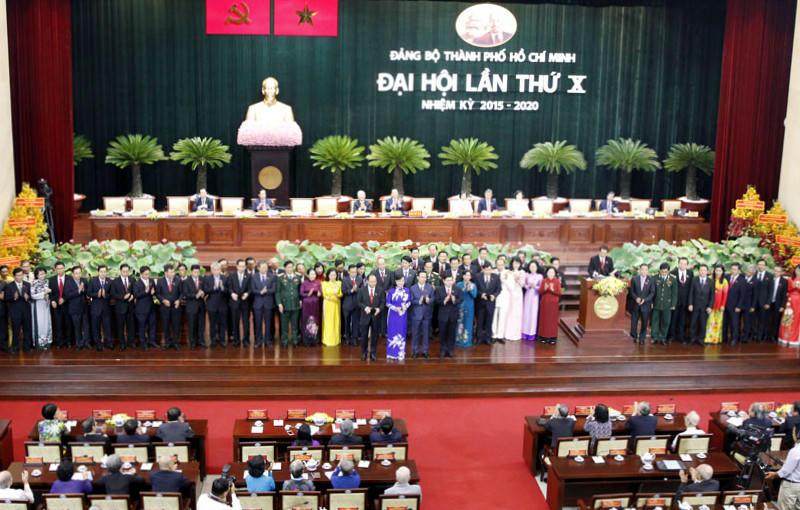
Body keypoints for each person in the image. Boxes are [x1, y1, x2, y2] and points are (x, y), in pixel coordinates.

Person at [765, 425, 800, 510]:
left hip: (791, 487)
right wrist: (787, 462)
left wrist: (774, 474)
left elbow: (786, 471)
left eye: (793, 432)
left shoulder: (795, 451)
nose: (792, 434)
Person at [435, 274, 463, 358]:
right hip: (443, 315)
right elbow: (436, 300)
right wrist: (444, 301)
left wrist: (455, 300)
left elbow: (461, 299)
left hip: (453, 315)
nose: (449, 282)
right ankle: (443, 350)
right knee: (442, 334)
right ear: (444, 281)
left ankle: (450, 350)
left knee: (451, 334)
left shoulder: (457, 289)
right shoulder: (439, 289)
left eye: (451, 280)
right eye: (447, 280)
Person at [5, 268, 32, 353]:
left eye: (21, 275)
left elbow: (31, 298)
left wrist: (28, 297)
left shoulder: (27, 284)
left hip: (26, 311)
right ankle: (15, 348)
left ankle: (27, 347)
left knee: (27, 329)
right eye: (18, 275)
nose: (20, 277)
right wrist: (14, 297)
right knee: (16, 330)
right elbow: (6, 298)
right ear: (14, 276)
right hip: (15, 311)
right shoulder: (9, 286)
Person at [276, 261, 302, 348]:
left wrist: (300, 300)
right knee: (284, 325)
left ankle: (295, 340)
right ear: (285, 268)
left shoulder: (298, 277)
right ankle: (284, 341)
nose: (290, 269)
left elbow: (300, 290)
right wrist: (279, 304)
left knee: (295, 324)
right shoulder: (280, 278)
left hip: (295, 304)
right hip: (284, 305)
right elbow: (277, 292)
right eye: (288, 267)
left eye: (291, 267)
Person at [358, 274, 384, 361]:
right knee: (364, 336)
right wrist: (365, 308)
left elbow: (382, 302)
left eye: (374, 281)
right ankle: (364, 353)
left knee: (375, 336)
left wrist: (379, 309)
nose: (373, 283)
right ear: (367, 281)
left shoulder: (380, 290)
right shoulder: (362, 290)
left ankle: (373, 353)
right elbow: (358, 302)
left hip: (376, 316)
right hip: (365, 316)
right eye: (371, 281)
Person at [250, 261, 276, 348]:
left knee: (268, 323)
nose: (265, 269)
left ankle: (268, 340)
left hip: (269, 303)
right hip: (258, 303)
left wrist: (267, 291)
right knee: (258, 323)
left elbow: (274, 289)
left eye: (266, 267)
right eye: (263, 267)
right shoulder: (254, 277)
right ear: (258, 268)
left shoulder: (272, 276)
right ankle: (258, 341)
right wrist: (260, 292)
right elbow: (252, 289)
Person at [110, 264, 136, 351]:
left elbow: (135, 291)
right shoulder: (115, 281)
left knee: (131, 326)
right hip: (120, 307)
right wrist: (122, 297)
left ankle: (131, 342)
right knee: (120, 327)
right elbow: (113, 293)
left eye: (127, 271)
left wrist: (133, 296)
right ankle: (122, 343)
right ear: (120, 271)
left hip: (130, 307)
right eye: (124, 271)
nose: (125, 273)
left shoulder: (132, 280)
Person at [156, 264, 182, 350]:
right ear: (166, 273)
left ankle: (176, 342)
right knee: (166, 325)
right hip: (165, 307)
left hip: (176, 307)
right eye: (171, 272)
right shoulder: (160, 281)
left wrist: (179, 300)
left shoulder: (178, 280)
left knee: (176, 325)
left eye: (173, 272)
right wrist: (163, 300)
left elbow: (182, 293)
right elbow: (157, 293)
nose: (173, 274)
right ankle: (167, 342)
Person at [386, 272, 411, 360]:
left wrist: (405, 307)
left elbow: (409, 302)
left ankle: (401, 353)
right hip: (393, 315)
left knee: (402, 332)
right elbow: (387, 303)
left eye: (402, 281)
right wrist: (395, 308)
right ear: (396, 281)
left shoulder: (407, 290)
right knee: (392, 332)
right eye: (399, 281)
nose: (401, 282)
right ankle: (391, 353)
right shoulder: (391, 291)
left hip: (403, 315)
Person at [409, 271, 434, 358]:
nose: (423, 278)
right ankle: (415, 351)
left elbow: (433, 298)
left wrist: (429, 300)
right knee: (415, 334)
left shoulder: (430, 287)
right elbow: (411, 300)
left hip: (427, 314)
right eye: (422, 277)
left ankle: (425, 351)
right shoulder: (412, 288)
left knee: (426, 334)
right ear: (418, 277)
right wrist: (418, 301)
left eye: (425, 277)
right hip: (416, 314)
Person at [651, 262, 677, 345]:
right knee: (655, 321)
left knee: (666, 321)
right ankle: (654, 337)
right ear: (660, 270)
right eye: (662, 271)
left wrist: (673, 304)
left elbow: (674, 293)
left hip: (667, 304)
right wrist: (651, 302)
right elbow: (652, 291)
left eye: (666, 271)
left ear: (668, 271)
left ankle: (663, 337)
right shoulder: (655, 278)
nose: (664, 273)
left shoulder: (672, 279)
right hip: (656, 303)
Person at [202, 262, 227, 348]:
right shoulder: (207, 278)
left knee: (222, 323)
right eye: (215, 270)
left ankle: (222, 340)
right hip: (211, 305)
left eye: (218, 269)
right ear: (212, 270)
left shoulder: (224, 278)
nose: (217, 271)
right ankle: (213, 340)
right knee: (212, 324)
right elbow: (205, 290)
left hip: (222, 305)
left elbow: (228, 290)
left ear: (220, 270)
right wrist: (214, 288)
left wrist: (222, 287)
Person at [688, 264, 714, 345]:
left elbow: (712, 296)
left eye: (704, 270)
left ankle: (701, 339)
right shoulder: (694, 280)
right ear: (699, 271)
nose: (702, 272)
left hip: (705, 307)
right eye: (701, 270)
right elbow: (691, 293)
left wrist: (710, 306)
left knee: (703, 324)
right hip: (695, 305)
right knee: (693, 323)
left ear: (707, 271)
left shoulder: (711, 281)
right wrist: (690, 304)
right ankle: (692, 338)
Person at [669, 257, 694, 344]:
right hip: (675, 301)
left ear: (687, 265)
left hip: (685, 301)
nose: (683, 265)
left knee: (682, 320)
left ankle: (681, 337)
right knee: (673, 319)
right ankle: (671, 336)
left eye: (685, 264)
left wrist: (690, 302)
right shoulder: (673, 273)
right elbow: (669, 286)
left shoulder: (690, 273)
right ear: (678, 264)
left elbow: (691, 288)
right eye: (681, 263)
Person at [86, 265, 111, 351]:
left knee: (107, 326)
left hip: (106, 308)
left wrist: (105, 295)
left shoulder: (109, 281)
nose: (103, 273)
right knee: (96, 327)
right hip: (95, 308)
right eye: (101, 272)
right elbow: (88, 292)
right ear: (98, 272)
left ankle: (108, 342)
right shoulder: (93, 281)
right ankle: (98, 343)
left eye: (104, 272)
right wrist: (97, 294)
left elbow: (111, 293)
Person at [133, 266, 157, 350]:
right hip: (141, 309)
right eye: (146, 274)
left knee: (152, 325)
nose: (147, 276)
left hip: (151, 307)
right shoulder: (137, 283)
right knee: (142, 326)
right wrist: (145, 291)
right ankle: (143, 343)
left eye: (148, 274)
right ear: (141, 274)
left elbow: (154, 290)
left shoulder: (151, 281)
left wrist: (153, 292)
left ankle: (152, 341)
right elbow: (136, 295)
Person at [48, 261, 72, 348]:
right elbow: (50, 293)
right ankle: (60, 342)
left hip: (67, 305)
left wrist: (64, 299)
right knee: (58, 324)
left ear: (64, 268)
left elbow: (72, 291)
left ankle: (69, 342)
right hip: (56, 306)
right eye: (58, 269)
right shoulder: (51, 280)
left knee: (68, 324)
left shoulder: (70, 278)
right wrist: (52, 301)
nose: (60, 270)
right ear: (55, 269)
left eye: (61, 268)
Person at [228, 260, 251, 347]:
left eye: (243, 266)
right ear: (237, 266)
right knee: (235, 322)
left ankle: (246, 340)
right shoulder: (231, 275)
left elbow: (250, 288)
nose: (242, 268)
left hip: (245, 302)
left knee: (246, 322)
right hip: (235, 302)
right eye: (240, 266)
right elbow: (229, 287)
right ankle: (236, 340)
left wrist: (247, 293)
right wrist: (232, 293)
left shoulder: (248, 276)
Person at [500, 257, 524, 341]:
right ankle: (507, 333)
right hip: (509, 294)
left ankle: (515, 334)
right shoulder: (508, 271)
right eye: (514, 263)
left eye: (518, 263)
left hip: (518, 295)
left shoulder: (522, 272)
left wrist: (517, 279)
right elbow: (504, 281)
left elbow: (522, 284)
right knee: (508, 312)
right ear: (512, 263)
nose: (516, 265)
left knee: (516, 313)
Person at [182, 264, 206, 349]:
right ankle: (192, 343)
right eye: (195, 272)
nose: (197, 274)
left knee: (201, 325)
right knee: (192, 325)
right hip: (191, 307)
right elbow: (185, 294)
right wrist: (196, 295)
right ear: (191, 272)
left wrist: (203, 293)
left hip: (201, 306)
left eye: (198, 272)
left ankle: (201, 341)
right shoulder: (186, 281)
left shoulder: (202, 279)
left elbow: (205, 289)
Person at [630, 264, 655, 345]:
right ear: (639, 270)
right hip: (635, 304)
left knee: (644, 322)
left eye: (645, 269)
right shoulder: (634, 279)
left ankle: (642, 338)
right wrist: (636, 298)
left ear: (648, 271)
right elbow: (631, 291)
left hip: (646, 304)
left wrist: (645, 300)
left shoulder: (651, 280)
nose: (644, 271)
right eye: (642, 269)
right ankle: (634, 336)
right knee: (634, 321)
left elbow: (652, 292)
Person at [475, 263, 500, 345]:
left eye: (489, 270)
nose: (488, 271)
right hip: (481, 302)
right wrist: (480, 294)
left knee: (489, 320)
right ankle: (479, 338)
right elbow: (475, 288)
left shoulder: (496, 277)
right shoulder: (478, 276)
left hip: (491, 302)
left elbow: (499, 288)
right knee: (480, 320)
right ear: (483, 269)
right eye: (486, 270)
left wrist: (494, 295)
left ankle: (488, 338)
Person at [703, 264, 728, 344]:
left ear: (722, 272)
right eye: (716, 270)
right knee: (709, 322)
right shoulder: (709, 278)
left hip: (719, 306)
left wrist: (723, 305)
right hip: (710, 305)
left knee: (717, 323)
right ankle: (708, 339)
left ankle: (715, 339)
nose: (718, 272)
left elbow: (725, 295)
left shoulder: (724, 281)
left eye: (720, 271)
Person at [537, 267, 562, 344]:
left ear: (554, 274)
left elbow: (559, 293)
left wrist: (552, 289)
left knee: (552, 320)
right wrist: (545, 289)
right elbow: (540, 292)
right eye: (549, 272)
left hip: (553, 304)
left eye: (552, 272)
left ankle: (552, 337)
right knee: (544, 319)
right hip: (544, 303)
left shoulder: (557, 281)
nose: (551, 273)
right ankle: (543, 336)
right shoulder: (544, 281)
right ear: (547, 273)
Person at [724, 262, 747, 345]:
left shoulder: (742, 280)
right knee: (726, 322)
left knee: (734, 323)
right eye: (732, 269)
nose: (733, 271)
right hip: (726, 305)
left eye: (735, 269)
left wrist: (739, 306)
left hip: (735, 306)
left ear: (739, 271)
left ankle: (734, 338)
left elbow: (743, 295)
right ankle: (725, 337)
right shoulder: (727, 277)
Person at [30, 267, 52, 349]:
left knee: (47, 323)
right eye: (41, 274)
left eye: (44, 273)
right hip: (38, 305)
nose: (43, 275)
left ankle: (47, 342)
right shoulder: (34, 283)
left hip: (46, 305)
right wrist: (44, 294)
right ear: (37, 275)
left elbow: (51, 292)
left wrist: (48, 296)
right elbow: (32, 295)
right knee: (40, 324)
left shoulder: (47, 281)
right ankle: (39, 343)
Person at [319, 268, 342, 346]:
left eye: (334, 275)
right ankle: (327, 339)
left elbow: (341, 293)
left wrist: (337, 295)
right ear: (328, 275)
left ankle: (336, 339)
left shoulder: (339, 283)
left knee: (336, 320)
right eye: (331, 275)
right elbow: (324, 294)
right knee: (328, 321)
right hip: (328, 304)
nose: (333, 276)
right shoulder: (324, 283)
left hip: (336, 304)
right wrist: (328, 297)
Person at [521, 261, 543, 341]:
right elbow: (524, 285)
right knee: (526, 314)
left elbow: (541, 287)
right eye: (531, 266)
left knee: (533, 314)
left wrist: (535, 287)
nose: (532, 268)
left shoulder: (540, 276)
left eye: (534, 266)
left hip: (535, 296)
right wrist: (528, 286)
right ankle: (524, 332)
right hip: (527, 296)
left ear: (537, 267)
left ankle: (532, 333)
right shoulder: (527, 275)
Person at [299, 268, 322, 346]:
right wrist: (308, 294)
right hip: (307, 304)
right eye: (311, 274)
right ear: (308, 275)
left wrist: (319, 294)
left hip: (315, 304)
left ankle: (315, 340)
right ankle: (306, 341)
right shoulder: (304, 283)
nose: (313, 275)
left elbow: (320, 292)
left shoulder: (318, 283)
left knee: (315, 321)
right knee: (307, 321)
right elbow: (301, 293)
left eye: (314, 274)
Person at [779, 266, 800, 346]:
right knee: (788, 317)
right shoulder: (790, 279)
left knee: (796, 319)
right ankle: (785, 337)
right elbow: (788, 289)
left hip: (798, 301)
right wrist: (794, 287)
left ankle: (794, 338)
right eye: (797, 270)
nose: (798, 272)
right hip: (790, 300)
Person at [456, 270, 477, 347]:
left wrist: (470, 291)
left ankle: (467, 341)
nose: (467, 277)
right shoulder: (459, 284)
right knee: (459, 322)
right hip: (460, 306)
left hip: (469, 306)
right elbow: (456, 294)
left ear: (471, 277)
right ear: (463, 276)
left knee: (468, 322)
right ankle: (458, 340)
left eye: (469, 275)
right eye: (466, 275)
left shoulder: (473, 285)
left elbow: (474, 295)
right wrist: (463, 289)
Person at [341, 265, 362, 346]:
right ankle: (347, 338)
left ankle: (354, 338)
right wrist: (352, 290)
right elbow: (343, 291)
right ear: (348, 272)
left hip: (356, 304)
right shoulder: (344, 280)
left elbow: (362, 290)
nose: (354, 274)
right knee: (347, 322)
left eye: (355, 272)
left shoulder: (359, 279)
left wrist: (356, 289)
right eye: (352, 272)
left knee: (356, 322)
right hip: (347, 305)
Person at [754, 259, 774, 343]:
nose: (761, 266)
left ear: (765, 266)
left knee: (762, 321)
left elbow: (771, 291)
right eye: (759, 264)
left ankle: (760, 337)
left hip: (764, 303)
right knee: (753, 320)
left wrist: (768, 303)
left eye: (762, 265)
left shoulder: (770, 276)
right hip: (754, 303)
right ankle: (753, 335)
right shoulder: (754, 274)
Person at [768, 265, 789, 342]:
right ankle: (767, 335)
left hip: (778, 304)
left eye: (778, 271)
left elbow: (784, 295)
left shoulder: (784, 281)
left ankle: (774, 336)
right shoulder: (769, 279)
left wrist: (782, 306)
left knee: (776, 320)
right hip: (769, 303)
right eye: (775, 271)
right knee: (767, 320)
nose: (776, 272)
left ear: (781, 272)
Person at [742, 264, 758, 343]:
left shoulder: (755, 281)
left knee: (747, 321)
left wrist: (753, 306)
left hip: (749, 304)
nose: (747, 273)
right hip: (740, 302)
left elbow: (755, 295)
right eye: (747, 271)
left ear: (753, 273)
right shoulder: (742, 278)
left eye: (750, 272)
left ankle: (746, 336)